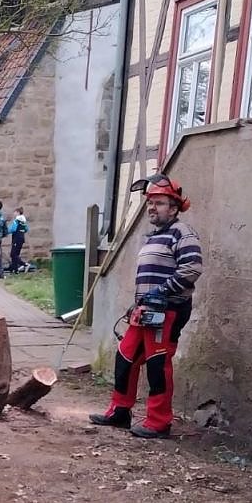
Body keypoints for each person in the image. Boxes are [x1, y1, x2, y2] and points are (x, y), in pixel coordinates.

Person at [89, 174, 203, 439]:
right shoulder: (153, 237)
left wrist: (162, 291)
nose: (152, 207)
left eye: (159, 203)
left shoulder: (182, 233)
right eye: (150, 202)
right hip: (147, 310)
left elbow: (192, 268)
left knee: (157, 364)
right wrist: (138, 302)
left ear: (173, 208)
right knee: (125, 356)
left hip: (168, 310)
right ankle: (119, 411)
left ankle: (159, 422)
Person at [7, 206, 29, 273]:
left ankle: (25, 264)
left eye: (15, 212)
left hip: (16, 238)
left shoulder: (16, 221)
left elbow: (13, 229)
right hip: (21, 238)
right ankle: (15, 270)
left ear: (18, 212)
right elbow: (26, 229)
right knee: (16, 254)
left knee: (13, 254)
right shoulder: (23, 221)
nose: (14, 214)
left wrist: (6, 231)